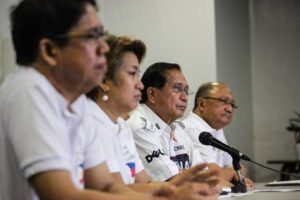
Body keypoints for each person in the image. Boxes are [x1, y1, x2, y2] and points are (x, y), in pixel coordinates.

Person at [0, 1, 167, 200]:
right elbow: (60, 194)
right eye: (92, 36)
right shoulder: (28, 89)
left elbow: (105, 186)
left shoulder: (77, 102)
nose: (104, 47)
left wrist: (173, 191)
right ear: (50, 50)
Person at [87, 34, 220, 199]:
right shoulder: (93, 121)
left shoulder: (120, 125)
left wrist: (176, 189)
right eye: (132, 74)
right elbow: (111, 191)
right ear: (104, 80)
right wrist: (175, 193)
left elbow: (140, 184)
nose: (140, 85)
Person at [127, 62, 207, 182]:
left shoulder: (177, 128)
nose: (184, 97)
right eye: (177, 88)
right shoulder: (139, 126)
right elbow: (172, 182)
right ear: (152, 94)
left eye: (186, 90)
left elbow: (205, 177)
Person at [181, 82, 254, 190]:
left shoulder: (216, 128)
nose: (229, 109)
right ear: (201, 104)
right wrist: (234, 176)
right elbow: (211, 175)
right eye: (223, 101)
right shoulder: (192, 129)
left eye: (232, 104)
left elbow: (239, 167)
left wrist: (234, 176)